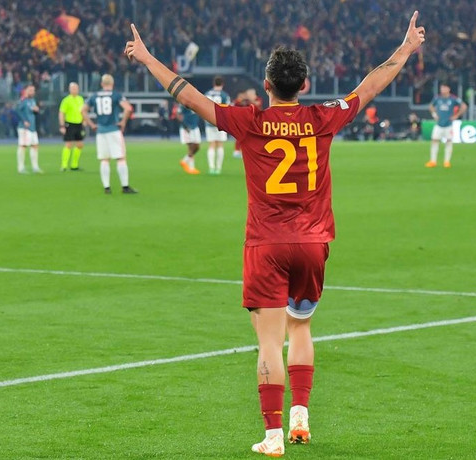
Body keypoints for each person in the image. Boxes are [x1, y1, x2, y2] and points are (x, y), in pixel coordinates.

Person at [125, 11, 425, 457]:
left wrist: (148, 58)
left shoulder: (248, 121)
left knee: (269, 340)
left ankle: (273, 436)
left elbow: (190, 97)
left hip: (266, 243)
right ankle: (300, 414)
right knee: (301, 327)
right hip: (313, 242)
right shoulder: (322, 117)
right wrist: (406, 47)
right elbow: (370, 85)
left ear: (266, 85)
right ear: (304, 85)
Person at [82, 74, 137, 194]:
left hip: (101, 131)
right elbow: (128, 108)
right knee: (121, 158)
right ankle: (125, 186)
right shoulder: (116, 95)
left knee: (104, 160)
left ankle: (107, 187)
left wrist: (91, 124)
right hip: (113, 130)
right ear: (112, 84)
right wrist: (123, 122)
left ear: (102, 84)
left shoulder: (94, 96)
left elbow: (83, 110)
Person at [427, 83, 467, 168]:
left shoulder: (453, 98)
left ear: (448, 89)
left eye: (444, 88)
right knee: (434, 141)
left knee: (448, 142)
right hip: (439, 124)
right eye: (441, 88)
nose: (442, 90)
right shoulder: (437, 98)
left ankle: (447, 162)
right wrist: (434, 114)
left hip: (448, 124)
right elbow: (430, 106)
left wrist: (456, 116)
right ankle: (433, 161)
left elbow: (464, 106)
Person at [203, 76, 231, 174]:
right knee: (220, 145)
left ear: (213, 83)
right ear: (222, 84)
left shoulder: (207, 94)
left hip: (209, 121)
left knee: (211, 145)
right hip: (221, 122)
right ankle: (218, 168)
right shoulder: (224, 95)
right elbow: (228, 109)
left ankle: (211, 167)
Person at [58, 82, 86, 171]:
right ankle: (64, 165)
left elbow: (83, 111)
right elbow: (61, 113)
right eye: (73, 88)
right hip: (69, 124)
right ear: (69, 89)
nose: (75, 90)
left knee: (80, 144)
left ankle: (74, 165)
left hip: (79, 124)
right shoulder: (66, 100)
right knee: (68, 144)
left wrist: (84, 120)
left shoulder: (80, 99)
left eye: (76, 88)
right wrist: (62, 125)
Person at [16, 84, 43, 174]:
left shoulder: (32, 100)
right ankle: (21, 168)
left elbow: (33, 112)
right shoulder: (23, 100)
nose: (33, 92)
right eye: (31, 90)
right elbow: (18, 111)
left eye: (33, 90)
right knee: (23, 146)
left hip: (32, 127)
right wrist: (24, 120)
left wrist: (36, 110)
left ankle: (35, 167)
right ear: (25, 90)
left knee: (35, 146)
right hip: (24, 128)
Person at [177, 103, 201, 174]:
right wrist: (185, 126)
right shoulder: (184, 103)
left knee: (197, 147)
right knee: (191, 146)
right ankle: (191, 168)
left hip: (195, 127)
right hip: (187, 128)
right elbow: (178, 114)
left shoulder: (197, 102)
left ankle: (184, 160)